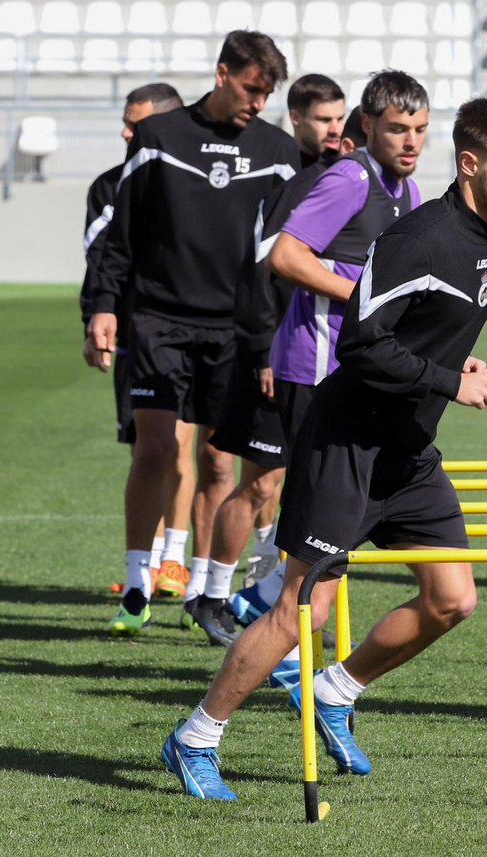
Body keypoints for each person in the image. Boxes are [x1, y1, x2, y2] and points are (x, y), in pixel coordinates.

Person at [159, 94, 487, 801]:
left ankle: (336, 688)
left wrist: (459, 369)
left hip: (408, 448)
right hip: (348, 441)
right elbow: (362, 345)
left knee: (453, 598)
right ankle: (194, 737)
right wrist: (448, 380)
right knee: (301, 608)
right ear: (470, 164)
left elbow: (432, 334)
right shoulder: (417, 239)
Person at [194, 71, 428, 645]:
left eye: (420, 130)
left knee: (323, 501)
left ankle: (272, 601)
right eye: (398, 129)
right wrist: (358, 299)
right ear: (367, 127)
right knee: (271, 490)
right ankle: (223, 597)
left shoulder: (410, 193)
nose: (411, 141)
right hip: (308, 365)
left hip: (353, 371)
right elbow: (283, 257)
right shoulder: (349, 179)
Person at [88, 31, 302, 636]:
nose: (258, 102)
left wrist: (269, 340)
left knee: (216, 462)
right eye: (252, 88)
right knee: (156, 447)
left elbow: (279, 254)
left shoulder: (279, 151)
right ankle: (137, 582)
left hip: (234, 331)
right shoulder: (159, 139)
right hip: (159, 320)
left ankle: (207, 595)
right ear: (222, 73)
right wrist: (102, 307)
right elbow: (120, 237)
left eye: (267, 93)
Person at [188, 73, 348, 639]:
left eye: (340, 118)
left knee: (296, 487)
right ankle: (212, 597)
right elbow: (261, 272)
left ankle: (292, 596)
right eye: (324, 119)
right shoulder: (293, 184)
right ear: (297, 119)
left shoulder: (345, 182)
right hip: (274, 359)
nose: (335, 130)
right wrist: (261, 350)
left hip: (318, 362)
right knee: (260, 484)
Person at [80, 84, 184, 598]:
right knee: (149, 448)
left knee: (190, 452)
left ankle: (178, 563)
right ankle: (153, 564)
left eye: (134, 124)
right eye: (125, 121)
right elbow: (102, 257)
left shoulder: (191, 180)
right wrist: (94, 317)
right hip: (136, 338)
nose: (125, 131)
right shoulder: (108, 186)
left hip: (198, 336)